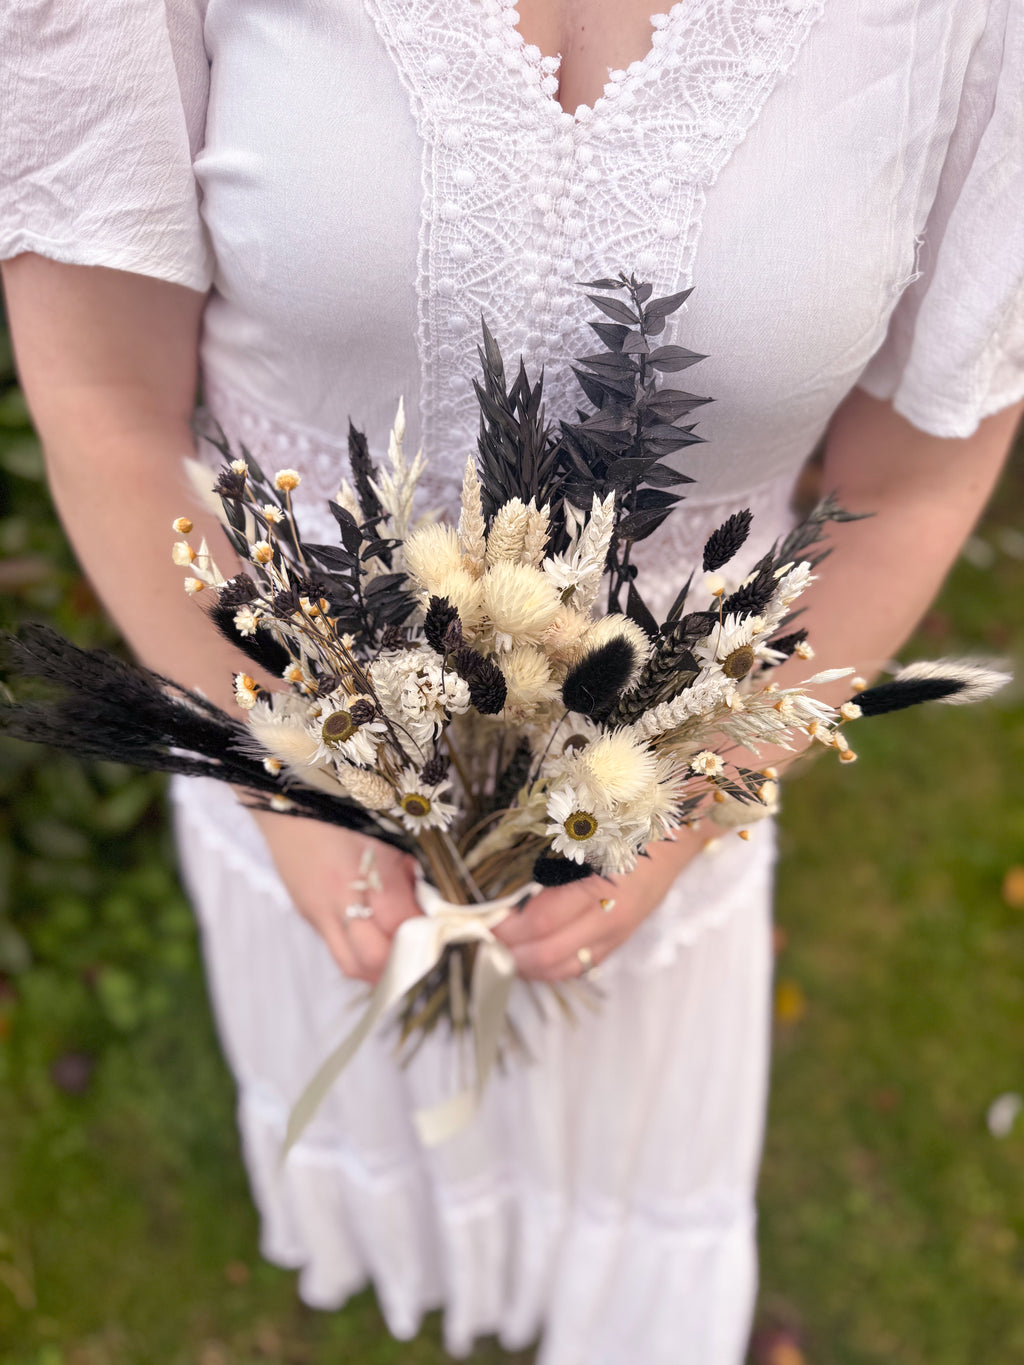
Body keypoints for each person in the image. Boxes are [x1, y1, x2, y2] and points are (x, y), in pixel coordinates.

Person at [2, 2, 1022, 1360]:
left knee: (613, 1185)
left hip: (648, 849)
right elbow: (106, 405)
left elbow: (922, 465)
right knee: (384, 1119)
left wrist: (693, 794)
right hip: (293, 789)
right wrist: (284, 778)